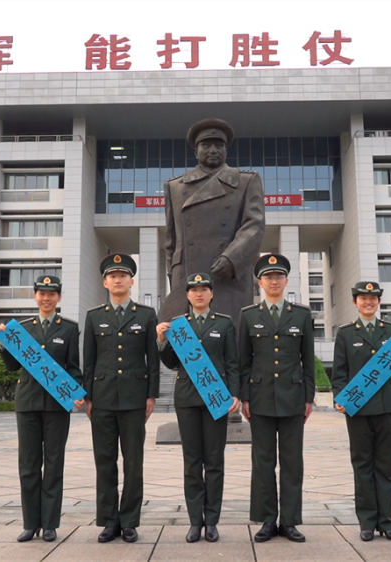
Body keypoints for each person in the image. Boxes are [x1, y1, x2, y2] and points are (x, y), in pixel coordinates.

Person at [330, 282, 391, 542]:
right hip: (357, 409)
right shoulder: (346, 333)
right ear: (354, 302)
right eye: (363, 298)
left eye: (372, 298)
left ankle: (387, 522)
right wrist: (340, 398)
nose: (368, 302)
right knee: (362, 465)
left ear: (379, 302)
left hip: (386, 408)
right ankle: (367, 522)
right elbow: (340, 372)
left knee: (385, 466)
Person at [0, 275, 83, 543]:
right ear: (35, 296)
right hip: (28, 402)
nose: (46, 298)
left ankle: (50, 524)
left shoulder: (68, 328)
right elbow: (12, 367)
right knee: (29, 465)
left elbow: (73, 367)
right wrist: (4, 344)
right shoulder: (21, 329)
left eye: (52, 294)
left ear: (58, 297)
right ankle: (30, 523)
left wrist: (77, 391)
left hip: (57, 405)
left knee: (54, 464)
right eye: (42, 293)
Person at [156, 272, 241, 543]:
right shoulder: (180, 325)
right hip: (188, 399)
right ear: (188, 295)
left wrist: (235, 394)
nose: (199, 294)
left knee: (214, 461)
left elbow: (232, 363)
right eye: (194, 290)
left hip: (216, 399)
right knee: (192, 462)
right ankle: (195, 521)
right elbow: (171, 362)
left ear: (211, 294)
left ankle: (212, 521)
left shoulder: (224, 324)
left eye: (204, 289)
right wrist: (160, 341)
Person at [238, 254, 315, 543]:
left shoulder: (302, 314)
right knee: (263, 461)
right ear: (259, 282)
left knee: (293, 462)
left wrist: (309, 397)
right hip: (259, 398)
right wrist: (244, 395)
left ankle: (290, 521)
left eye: (279, 276)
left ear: (286, 281)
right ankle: (267, 520)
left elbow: (307, 359)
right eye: (268, 277)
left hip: (294, 398)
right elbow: (243, 360)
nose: (274, 281)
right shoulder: (248, 315)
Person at [83, 253, 160, 543]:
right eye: (112, 276)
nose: (118, 280)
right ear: (105, 281)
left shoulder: (146, 314)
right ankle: (109, 521)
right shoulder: (94, 316)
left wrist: (151, 394)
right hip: (101, 399)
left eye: (123, 275)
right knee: (105, 462)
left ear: (131, 281)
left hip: (134, 398)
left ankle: (129, 521)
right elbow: (88, 361)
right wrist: (88, 397)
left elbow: (152, 359)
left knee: (133, 463)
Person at [161, 118, 265, 326]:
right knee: (188, 345)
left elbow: (254, 225)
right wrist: (173, 275)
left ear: (226, 151)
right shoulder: (175, 186)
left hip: (227, 272)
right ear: (196, 151)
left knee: (229, 338)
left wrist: (232, 258)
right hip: (187, 276)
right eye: (206, 145)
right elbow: (170, 240)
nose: (213, 150)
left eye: (219, 145)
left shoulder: (246, 181)